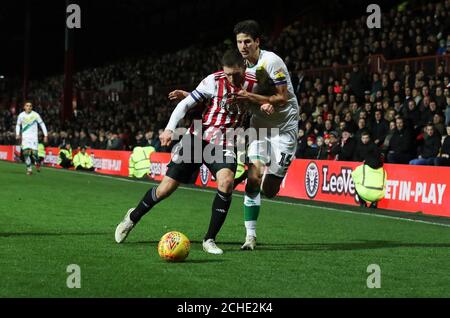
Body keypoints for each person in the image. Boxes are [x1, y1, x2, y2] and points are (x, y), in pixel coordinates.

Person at [115, 50, 257, 255]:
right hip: (197, 137)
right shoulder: (213, 81)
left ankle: (209, 239)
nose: (231, 79)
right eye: (228, 75)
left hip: (224, 143)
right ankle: (132, 218)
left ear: (244, 67)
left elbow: (274, 98)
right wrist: (170, 128)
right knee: (165, 190)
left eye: (235, 74)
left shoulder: (256, 83)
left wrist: (267, 103)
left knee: (226, 182)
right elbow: (186, 104)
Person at [234, 20, 299, 250]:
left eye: (248, 41)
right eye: (240, 42)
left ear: (257, 42)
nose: (243, 46)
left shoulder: (271, 62)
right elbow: (243, 99)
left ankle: (274, 174)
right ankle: (250, 236)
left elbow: (282, 98)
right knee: (254, 176)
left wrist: (259, 100)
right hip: (260, 126)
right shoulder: (240, 69)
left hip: (284, 128)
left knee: (269, 190)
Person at [15, 101, 48, 175]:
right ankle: (29, 169)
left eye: (30, 106)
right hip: (25, 138)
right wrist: (17, 134)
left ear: (32, 107)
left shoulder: (35, 115)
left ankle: (37, 163)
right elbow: (18, 125)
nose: (29, 107)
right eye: (27, 106)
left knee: (35, 154)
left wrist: (45, 135)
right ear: (24, 107)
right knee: (26, 153)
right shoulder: (21, 115)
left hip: (33, 138)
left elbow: (42, 124)